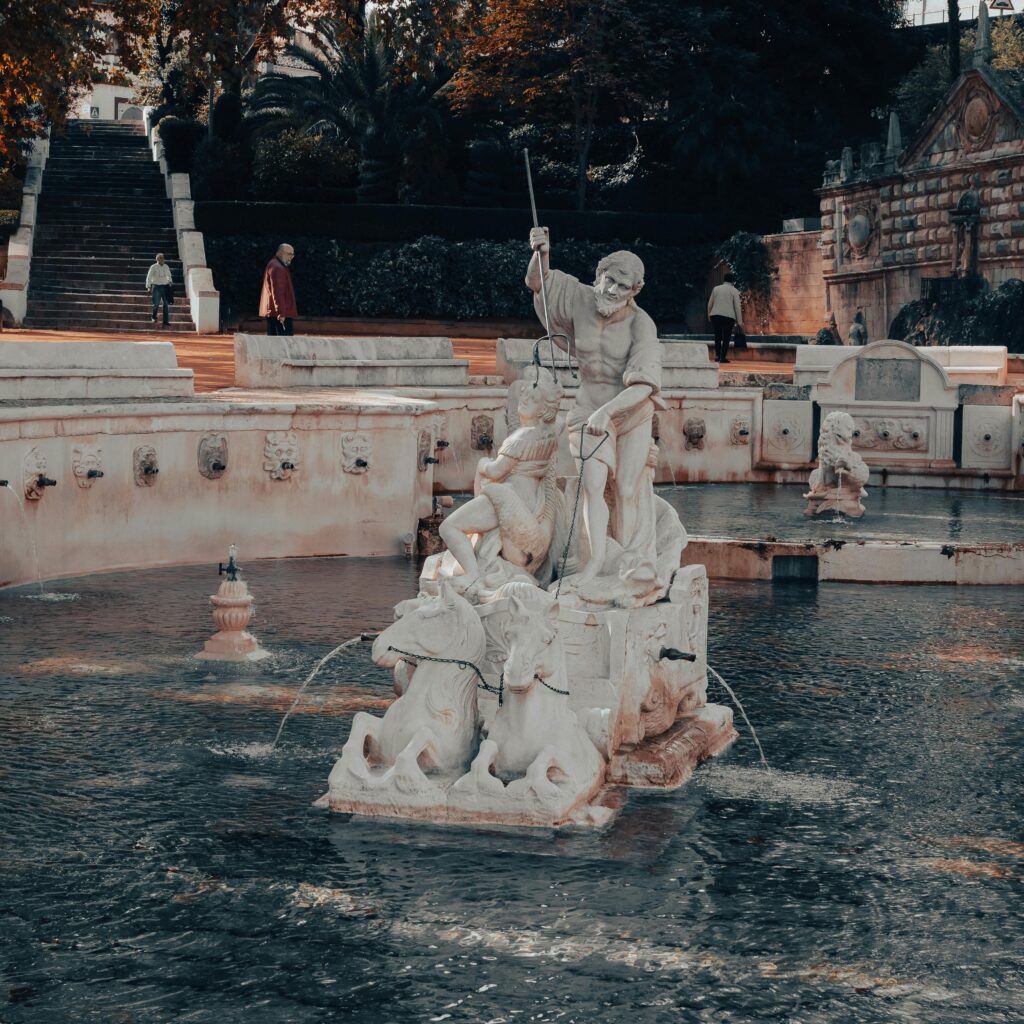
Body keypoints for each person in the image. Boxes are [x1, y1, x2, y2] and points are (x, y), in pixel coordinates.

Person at [526, 226, 663, 592]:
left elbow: (645, 386)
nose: (612, 290)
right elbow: (538, 284)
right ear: (598, 275)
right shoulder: (580, 298)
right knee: (592, 485)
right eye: (608, 280)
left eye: (622, 286)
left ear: (635, 291)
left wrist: (609, 413)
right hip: (588, 408)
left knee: (627, 490)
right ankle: (595, 565)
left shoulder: (641, 325)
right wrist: (542, 253)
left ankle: (626, 565)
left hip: (631, 413)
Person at [259, 243, 298, 335]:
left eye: (292, 254)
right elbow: (278, 292)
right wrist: (281, 313)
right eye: (289, 254)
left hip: (275, 312)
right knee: (284, 341)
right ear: (280, 253)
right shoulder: (277, 267)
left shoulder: (275, 264)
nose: (291, 257)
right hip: (279, 314)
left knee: (274, 340)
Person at [707, 272, 744, 363]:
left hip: (715, 315)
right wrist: (739, 322)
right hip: (729, 317)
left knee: (717, 336)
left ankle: (717, 356)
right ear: (733, 281)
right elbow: (737, 307)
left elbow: (710, 304)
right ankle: (723, 357)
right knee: (726, 337)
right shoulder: (734, 291)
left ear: (724, 280)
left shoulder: (716, 289)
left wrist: (709, 315)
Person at [145, 253, 173, 327]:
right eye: (160, 258)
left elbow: (169, 275)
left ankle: (165, 321)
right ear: (157, 259)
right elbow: (149, 277)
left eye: (163, 258)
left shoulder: (166, 266)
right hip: (156, 287)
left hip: (165, 287)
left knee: (166, 304)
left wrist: (170, 282)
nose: (162, 259)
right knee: (156, 304)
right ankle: (154, 317)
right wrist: (148, 286)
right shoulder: (153, 267)